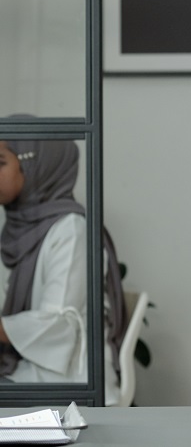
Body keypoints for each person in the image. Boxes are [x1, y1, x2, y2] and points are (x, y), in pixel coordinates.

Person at [0, 135, 127, 405]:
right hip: (27, 370)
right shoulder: (22, 229)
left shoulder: (71, 229)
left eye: (0, 162)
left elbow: (60, 322)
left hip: (68, 380)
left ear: (35, 167)